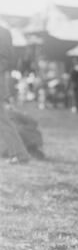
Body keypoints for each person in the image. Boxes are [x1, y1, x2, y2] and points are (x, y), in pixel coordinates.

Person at [0, 24, 30, 164]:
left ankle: (20, 153)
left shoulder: (3, 33)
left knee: (3, 121)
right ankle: (19, 153)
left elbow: (6, 60)